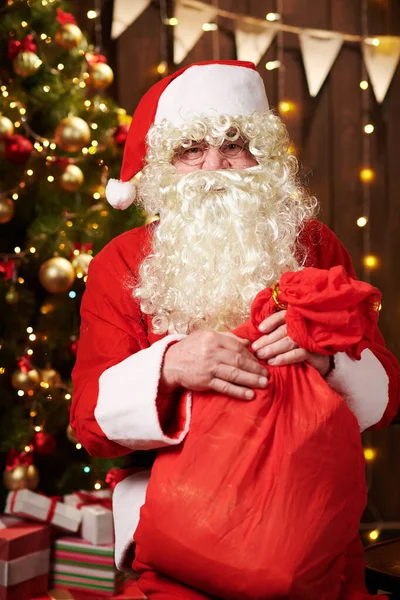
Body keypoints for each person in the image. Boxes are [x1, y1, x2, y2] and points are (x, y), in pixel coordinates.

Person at [71, 60, 400, 597]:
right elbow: (89, 421)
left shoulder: (314, 244)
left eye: (235, 146)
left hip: (312, 534)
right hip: (179, 541)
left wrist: (330, 361)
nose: (214, 169)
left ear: (264, 158)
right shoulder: (121, 262)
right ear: (162, 169)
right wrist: (169, 368)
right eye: (190, 151)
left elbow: (390, 395)